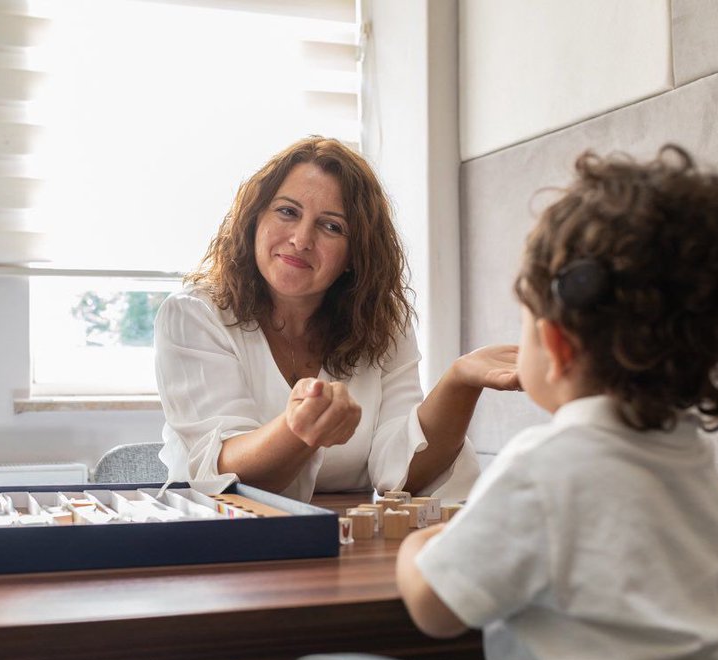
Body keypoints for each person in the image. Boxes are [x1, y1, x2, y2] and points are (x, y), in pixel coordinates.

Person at [396, 144, 718, 660]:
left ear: (555, 343)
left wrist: (416, 546)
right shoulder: (687, 451)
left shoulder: (541, 463)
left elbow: (435, 608)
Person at [154, 136, 518, 501]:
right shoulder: (194, 314)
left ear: (355, 255)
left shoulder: (382, 325)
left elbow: (402, 472)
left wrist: (459, 382)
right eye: (287, 211)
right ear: (253, 219)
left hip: (346, 546)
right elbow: (223, 466)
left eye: (331, 226)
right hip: (219, 542)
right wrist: (297, 431)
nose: (300, 239)